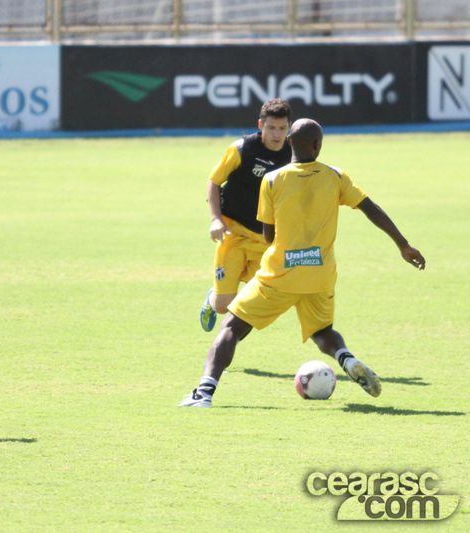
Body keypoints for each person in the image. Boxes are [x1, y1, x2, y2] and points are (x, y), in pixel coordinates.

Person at [181, 118, 425, 408]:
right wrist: (403, 244)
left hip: (279, 275)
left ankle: (203, 394)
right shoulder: (336, 176)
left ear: (289, 142)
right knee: (322, 331)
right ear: (317, 145)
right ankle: (346, 358)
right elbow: (371, 209)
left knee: (232, 327)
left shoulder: (272, 180)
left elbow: (268, 234)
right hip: (320, 275)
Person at [200, 98, 292, 333]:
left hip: (266, 240)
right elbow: (214, 182)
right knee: (223, 306)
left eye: (282, 128)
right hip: (233, 233)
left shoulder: (294, 154)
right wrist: (216, 219)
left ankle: (224, 346)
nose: (277, 134)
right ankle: (213, 299)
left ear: (288, 128)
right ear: (261, 125)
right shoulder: (242, 149)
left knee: (254, 301)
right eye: (271, 127)